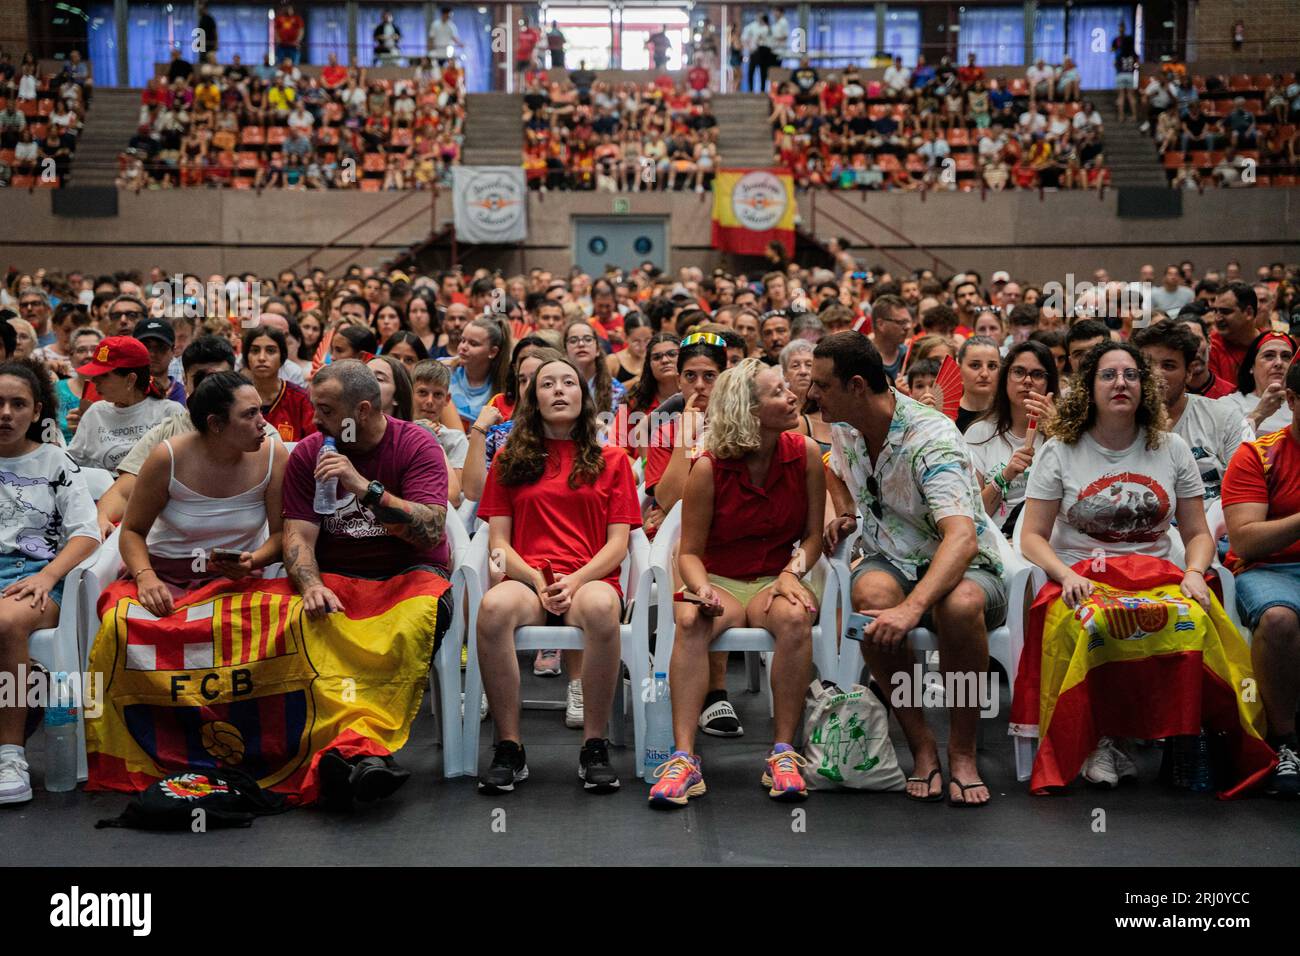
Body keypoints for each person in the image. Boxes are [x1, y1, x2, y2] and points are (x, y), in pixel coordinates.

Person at [811, 332, 1007, 806]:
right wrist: (846, 511)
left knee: (958, 607)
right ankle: (922, 746)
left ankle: (962, 751)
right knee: (871, 600)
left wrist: (914, 606)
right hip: (889, 557)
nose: (810, 394)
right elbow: (833, 468)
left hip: (963, 561)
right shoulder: (843, 424)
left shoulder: (931, 438)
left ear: (857, 386)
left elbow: (960, 538)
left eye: (821, 385)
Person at [1020, 342, 1215, 788]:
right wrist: (1064, 574)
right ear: (1089, 389)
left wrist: (1194, 572)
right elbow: (1031, 535)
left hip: (1157, 575)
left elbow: (1198, 534)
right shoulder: (1061, 451)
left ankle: (1182, 736)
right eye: (1108, 375)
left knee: (1191, 618)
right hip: (1082, 574)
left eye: (1130, 375)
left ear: (1144, 386)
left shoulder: (1172, 447)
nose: (1120, 383)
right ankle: (1101, 738)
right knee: (1099, 622)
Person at [648, 358, 825, 807]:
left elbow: (813, 536)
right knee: (688, 618)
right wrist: (701, 587)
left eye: (788, 388)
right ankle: (684, 758)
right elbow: (688, 550)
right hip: (721, 579)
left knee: (796, 617)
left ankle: (783, 751)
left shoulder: (804, 452)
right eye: (778, 392)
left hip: (775, 578)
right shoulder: (708, 468)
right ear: (749, 411)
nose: (791, 396)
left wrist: (792, 572)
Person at [281, 360, 453, 800]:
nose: (314, 419)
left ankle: (354, 750)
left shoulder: (416, 444)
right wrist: (311, 585)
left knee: (406, 628)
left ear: (360, 410)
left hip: (409, 577)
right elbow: (299, 535)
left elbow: (431, 529)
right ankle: (360, 755)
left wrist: (365, 488)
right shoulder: (307, 452)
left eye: (323, 409)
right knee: (302, 618)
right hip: (339, 577)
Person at [474, 355, 642, 794]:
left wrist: (576, 580)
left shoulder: (613, 460)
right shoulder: (510, 459)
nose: (560, 390)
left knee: (605, 610)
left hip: (588, 580)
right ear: (534, 398)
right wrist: (534, 579)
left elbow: (618, 544)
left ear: (583, 397)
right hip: (527, 580)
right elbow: (497, 545)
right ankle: (510, 747)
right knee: (492, 609)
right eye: (548, 383)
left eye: (569, 382)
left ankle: (594, 745)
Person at [0, 359, 101, 806]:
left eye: (17, 403)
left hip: (32, 576)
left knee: (5, 624)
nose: (5, 412)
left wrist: (48, 574)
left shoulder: (54, 459)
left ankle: (10, 755)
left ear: (36, 409)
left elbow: (86, 531)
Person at [119, 371, 286, 612]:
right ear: (215, 424)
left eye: (260, 410)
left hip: (239, 581)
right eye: (250, 414)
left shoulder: (274, 455)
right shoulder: (168, 457)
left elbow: (281, 535)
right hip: (165, 575)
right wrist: (146, 577)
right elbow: (132, 531)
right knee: (123, 621)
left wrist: (252, 561)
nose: (263, 422)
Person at [1221, 359, 1300, 796]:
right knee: (1279, 620)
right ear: (1291, 401)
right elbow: (1246, 541)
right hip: (1270, 568)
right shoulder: (1258, 454)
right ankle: (1284, 742)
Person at [1136, 319, 1252, 500]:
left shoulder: (1225, 418)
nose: (1156, 374)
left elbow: (1247, 493)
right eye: (1147, 365)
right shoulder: (1119, 424)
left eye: (1168, 365)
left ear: (1189, 372)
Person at [964, 340, 1059, 537]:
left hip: (1049, 540)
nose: (1027, 380)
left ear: (1049, 383)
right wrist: (1004, 476)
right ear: (1005, 378)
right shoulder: (979, 433)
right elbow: (973, 514)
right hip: (997, 540)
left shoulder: (1063, 433)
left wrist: (1057, 430)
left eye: (1037, 374)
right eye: (1018, 372)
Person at [68, 337, 185, 473]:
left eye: (104, 375)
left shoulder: (170, 412)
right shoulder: (95, 412)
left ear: (130, 380)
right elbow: (72, 463)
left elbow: (184, 466)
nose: (94, 380)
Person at [243, 325, 315, 442]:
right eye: (255, 350)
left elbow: (313, 444)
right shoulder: (236, 398)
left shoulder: (300, 399)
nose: (261, 358)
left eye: (270, 350)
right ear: (246, 357)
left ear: (282, 357)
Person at [1222, 332, 1296, 436]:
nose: (1279, 363)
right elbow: (1223, 447)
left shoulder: (1297, 405)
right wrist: (1259, 414)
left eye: (1286, 357)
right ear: (1251, 366)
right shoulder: (1229, 405)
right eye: (1269, 356)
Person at [450, 317, 509, 427]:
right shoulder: (445, 370)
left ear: (493, 352)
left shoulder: (504, 386)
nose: (463, 347)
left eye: (473, 344)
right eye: (462, 340)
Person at [781, 339, 831, 453]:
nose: (803, 371)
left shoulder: (829, 412)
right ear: (784, 374)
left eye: (809, 365)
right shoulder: (779, 412)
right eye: (795, 366)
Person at [564, 319, 624, 414]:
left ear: (597, 350)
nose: (581, 344)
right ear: (565, 352)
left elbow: (621, 427)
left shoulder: (616, 389)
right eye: (573, 340)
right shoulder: (559, 388)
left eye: (588, 339)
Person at [55, 327, 103, 443]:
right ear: (70, 357)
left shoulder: (116, 392)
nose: (89, 355)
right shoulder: (54, 390)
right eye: (81, 350)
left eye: (95, 350)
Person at [955, 336, 1001, 433]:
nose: (984, 373)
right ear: (959, 370)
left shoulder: (1009, 414)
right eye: (975, 365)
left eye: (992, 366)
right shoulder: (946, 416)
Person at [868, 294, 912, 384]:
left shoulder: (909, 355)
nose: (907, 327)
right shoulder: (863, 358)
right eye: (901, 322)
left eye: (907, 322)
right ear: (880, 324)